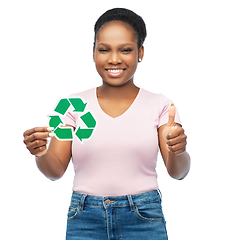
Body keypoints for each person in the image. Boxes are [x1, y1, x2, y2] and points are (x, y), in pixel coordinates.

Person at [23, 8, 190, 240]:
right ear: (93, 52)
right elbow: (54, 171)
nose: (114, 59)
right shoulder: (69, 106)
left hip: (143, 217)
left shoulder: (162, 105)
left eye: (126, 50)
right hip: (84, 219)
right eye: (104, 50)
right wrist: (41, 153)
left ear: (140, 52)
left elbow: (178, 172)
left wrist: (179, 152)